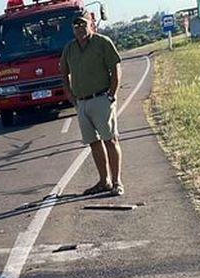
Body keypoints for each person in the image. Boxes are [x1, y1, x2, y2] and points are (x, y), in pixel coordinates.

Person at [59, 14, 124, 196]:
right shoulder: (70, 49)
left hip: (102, 98)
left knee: (110, 140)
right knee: (93, 143)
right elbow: (63, 73)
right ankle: (104, 181)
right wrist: (71, 97)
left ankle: (117, 181)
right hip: (82, 103)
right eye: (76, 25)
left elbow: (116, 67)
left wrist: (112, 93)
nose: (79, 28)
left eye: (83, 24)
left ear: (91, 25)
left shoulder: (102, 42)